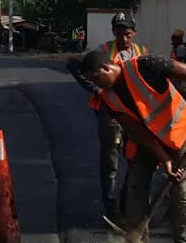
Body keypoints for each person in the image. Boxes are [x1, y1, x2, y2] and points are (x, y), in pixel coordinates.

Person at [77, 49, 186, 243]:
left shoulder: (144, 65)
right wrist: (164, 159)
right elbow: (137, 133)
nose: (97, 85)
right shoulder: (108, 98)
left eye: (97, 79)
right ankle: (137, 237)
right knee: (136, 186)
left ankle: (185, 241)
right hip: (149, 142)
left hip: (179, 133)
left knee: (182, 194)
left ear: (106, 68)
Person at [66, 12, 149, 231]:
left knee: (135, 158)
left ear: (134, 33)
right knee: (111, 159)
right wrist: (96, 89)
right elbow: (74, 64)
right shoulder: (103, 51)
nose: (124, 38)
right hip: (110, 113)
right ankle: (111, 208)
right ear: (113, 32)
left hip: (134, 113)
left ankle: (127, 207)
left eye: (127, 34)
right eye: (119, 33)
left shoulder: (141, 52)